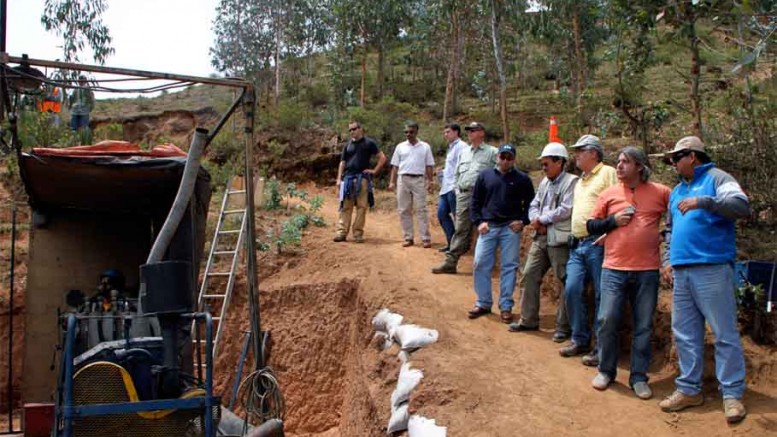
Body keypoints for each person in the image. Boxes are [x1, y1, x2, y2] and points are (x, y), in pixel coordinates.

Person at [658, 136, 749, 423]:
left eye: (676, 158)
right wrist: (666, 259)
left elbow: (740, 205)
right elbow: (669, 229)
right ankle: (689, 389)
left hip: (712, 267)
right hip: (682, 271)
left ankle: (732, 394)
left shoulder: (718, 178)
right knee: (685, 333)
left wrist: (705, 202)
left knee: (723, 332)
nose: (672, 164)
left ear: (692, 156)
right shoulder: (676, 191)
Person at [585, 147, 670, 400]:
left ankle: (639, 377)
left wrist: (665, 238)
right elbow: (590, 226)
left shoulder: (661, 192)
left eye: (626, 162)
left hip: (647, 271)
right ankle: (606, 371)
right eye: (618, 161)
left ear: (640, 167)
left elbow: (676, 217)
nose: (619, 166)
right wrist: (612, 222)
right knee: (607, 319)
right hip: (613, 268)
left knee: (643, 326)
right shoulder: (609, 193)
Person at [509, 142, 577, 342]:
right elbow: (534, 204)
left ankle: (563, 327)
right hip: (541, 237)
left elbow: (567, 209)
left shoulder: (572, 182)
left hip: (559, 239)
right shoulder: (545, 182)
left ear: (559, 162)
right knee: (529, 274)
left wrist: (542, 219)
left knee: (563, 282)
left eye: (546, 163)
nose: (544, 167)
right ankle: (528, 319)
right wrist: (535, 219)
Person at [559, 135, 618, 366]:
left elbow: (618, 202)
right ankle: (579, 338)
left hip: (596, 243)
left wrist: (609, 233)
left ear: (593, 153)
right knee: (572, 289)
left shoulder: (607, 173)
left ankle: (599, 347)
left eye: (580, 151)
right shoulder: (581, 179)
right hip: (577, 244)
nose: (576, 155)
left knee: (602, 296)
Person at [467, 144, 534, 323]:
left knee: (509, 267)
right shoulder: (485, 176)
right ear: (497, 157)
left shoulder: (522, 179)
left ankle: (506, 306)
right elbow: (475, 202)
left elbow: (531, 205)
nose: (505, 160)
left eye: (509, 157)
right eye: (502, 156)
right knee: (480, 263)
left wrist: (522, 221)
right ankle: (483, 302)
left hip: (510, 229)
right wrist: (479, 222)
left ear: (514, 159)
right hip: (488, 227)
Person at [432, 122, 497, 274]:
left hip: (483, 196)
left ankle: (487, 264)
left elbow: (499, 174)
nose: (470, 133)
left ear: (482, 133)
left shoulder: (492, 152)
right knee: (461, 228)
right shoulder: (464, 152)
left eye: (473, 130)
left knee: (487, 227)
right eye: (468, 130)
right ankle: (450, 262)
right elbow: (457, 173)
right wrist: (456, 188)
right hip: (463, 194)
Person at [334, 121, 387, 243]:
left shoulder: (369, 143)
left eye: (354, 129)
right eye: (350, 130)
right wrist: (338, 178)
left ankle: (358, 233)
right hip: (348, 178)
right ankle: (341, 233)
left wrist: (374, 171)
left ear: (360, 129)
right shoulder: (347, 145)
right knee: (345, 207)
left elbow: (382, 158)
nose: (352, 131)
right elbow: (342, 162)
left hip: (362, 178)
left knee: (361, 207)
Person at [388, 121, 435, 248]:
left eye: (411, 132)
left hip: (419, 179)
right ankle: (408, 237)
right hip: (403, 179)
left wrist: (430, 181)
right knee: (404, 209)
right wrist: (392, 182)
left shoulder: (425, 147)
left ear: (417, 131)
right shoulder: (400, 147)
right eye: (406, 132)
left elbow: (429, 165)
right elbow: (395, 166)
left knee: (421, 209)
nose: (408, 134)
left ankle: (425, 238)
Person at [437, 123, 468, 252]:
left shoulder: (462, 147)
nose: (446, 135)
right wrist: (442, 172)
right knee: (442, 214)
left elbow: (462, 167)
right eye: (444, 132)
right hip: (446, 186)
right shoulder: (451, 148)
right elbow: (451, 168)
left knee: (458, 217)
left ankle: (460, 246)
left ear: (456, 132)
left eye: (448, 132)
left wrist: (457, 186)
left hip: (454, 187)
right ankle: (451, 243)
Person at [69, 76, 95, 143]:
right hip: (75, 111)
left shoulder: (88, 90)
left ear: (85, 82)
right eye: (80, 81)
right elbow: (72, 99)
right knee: (74, 128)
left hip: (84, 111)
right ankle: (74, 142)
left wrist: (90, 108)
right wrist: (71, 106)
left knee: (84, 128)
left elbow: (91, 100)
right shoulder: (75, 90)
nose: (81, 82)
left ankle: (84, 142)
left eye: (82, 81)